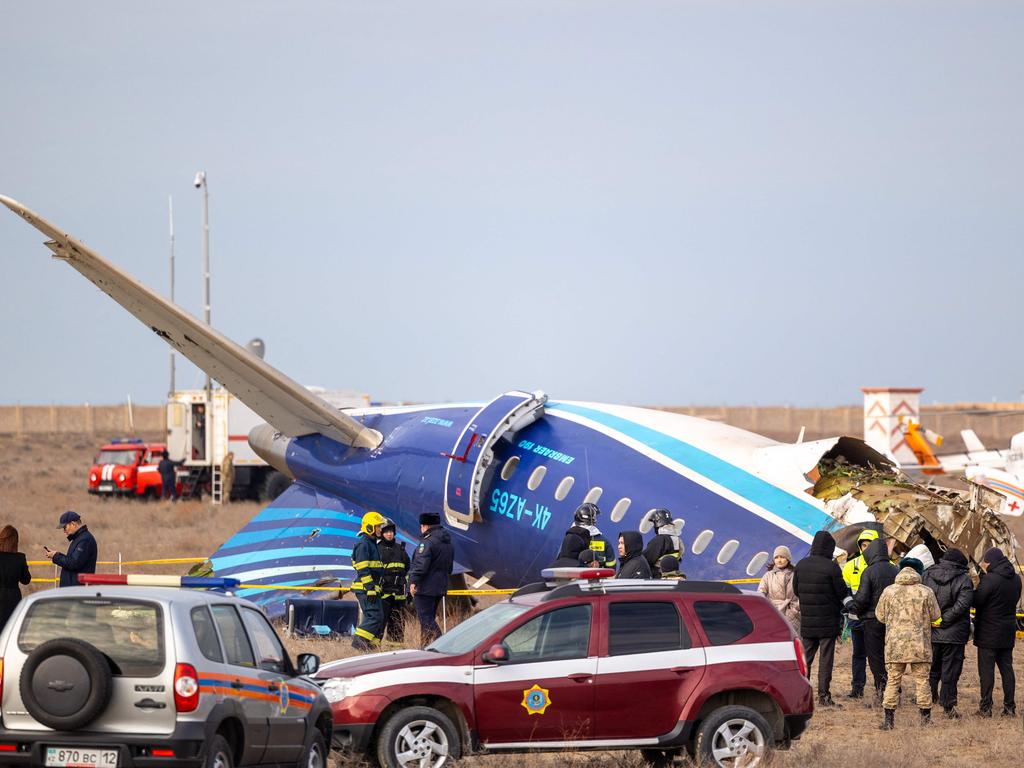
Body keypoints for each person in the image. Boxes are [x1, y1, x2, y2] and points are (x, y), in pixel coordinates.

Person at [875, 557, 941, 729]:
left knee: (893, 680)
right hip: (920, 645)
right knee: (922, 681)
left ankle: (889, 721)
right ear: (919, 571)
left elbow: (880, 616)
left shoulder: (889, 591)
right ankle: (925, 721)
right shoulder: (926, 592)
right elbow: (936, 615)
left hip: (895, 646)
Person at [793, 530, 853, 708]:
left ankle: (802, 696)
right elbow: (841, 592)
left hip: (808, 621)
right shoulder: (832, 567)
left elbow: (796, 590)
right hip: (828, 621)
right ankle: (823, 696)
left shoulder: (801, 565)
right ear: (829, 548)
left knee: (806, 660)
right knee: (826, 660)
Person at [921, 548, 973, 718]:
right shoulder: (964, 579)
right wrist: (944, 620)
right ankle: (948, 706)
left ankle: (929, 700)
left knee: (931, 668)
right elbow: (963, 604)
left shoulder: (927, 575)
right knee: (950, 671)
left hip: (932, 630)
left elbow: (922, 599)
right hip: (954, 634)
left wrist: (935, 619)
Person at [972, 547, 1022, 717]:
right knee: (1007, 670)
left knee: (986, 672)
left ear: (991, 561)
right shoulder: (1016, 579)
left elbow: (977, 601)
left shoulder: (990, 579)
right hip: (1007, 631)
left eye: (986, 562)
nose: (984, 565)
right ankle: (1009, 707)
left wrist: (975, 587)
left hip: (988, 633)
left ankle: (985, 708)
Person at [851, 537, 898, 702]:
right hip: (894, 622)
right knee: (892, 657)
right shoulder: (895, 570)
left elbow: (862, 598)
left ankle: (882, 690)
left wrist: (853, 608)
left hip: (872, 621)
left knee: (875, 657)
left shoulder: (869, 571)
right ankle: (895, 689)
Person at [841, 528, 880, 699]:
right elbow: (844, 590)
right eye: (864, 545)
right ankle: (857, 688)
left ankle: (882, 688)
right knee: (858, 655)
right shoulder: (850, 566)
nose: (866, 549)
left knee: (879, 655)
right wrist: (849, 604)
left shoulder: (888, 567)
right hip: (856, 619)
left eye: (870, 545)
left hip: (876, 620)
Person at [408, 512, 454, 646]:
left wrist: (413, 582)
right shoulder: (447, 543)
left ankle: (443, 644)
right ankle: (426, 648)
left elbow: (420, 566)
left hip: (425, 588)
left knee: (426, 619)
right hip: (440, 587)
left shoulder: (427, 543)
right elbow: (450, 568)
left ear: (425, 526)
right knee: (428, 620)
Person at [350, 511, 386, 651]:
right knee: (374, 617)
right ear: (369, 527)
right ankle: (358, 645)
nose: (380, 529)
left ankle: (372, 649)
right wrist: (370, 588)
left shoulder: (372, 543)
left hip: (372, 589)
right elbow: (363, 569)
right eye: (377, 526)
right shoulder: (364, 544)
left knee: (379, 618)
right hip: (365, 589)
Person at [377, 518, 411, 642]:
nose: (389, 534)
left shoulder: (401, 550)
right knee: (379, 625)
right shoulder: (377, 550)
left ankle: (395, 651)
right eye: (386, 531)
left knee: (398, 626)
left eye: (391, 531)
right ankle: (373, 650)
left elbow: (408, 569)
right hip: (383, 595)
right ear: (381, 533)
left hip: (398, 596)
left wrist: (407, 590)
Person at [45, 511, 97, 587]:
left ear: (73, 524)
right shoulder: (79, 539)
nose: (64, 531)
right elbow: (72, 560)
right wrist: (57, 554)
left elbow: (74, 563)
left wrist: (55, 556)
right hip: (74, 590)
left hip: (77, 591)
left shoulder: (85, 540)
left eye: (64, 527)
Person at [758, 545, 799, 632]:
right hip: (774, 613)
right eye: (776, 557)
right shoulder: (768, 575)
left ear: (788, 559)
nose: (779, 560)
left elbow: (800, 595)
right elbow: (760, 593)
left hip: (793, 615)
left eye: (782, 557)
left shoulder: (795, 574)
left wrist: (794, 612)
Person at [0, 525, 31, 630]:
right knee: (10, 630)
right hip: (13, 599)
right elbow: (26, 580)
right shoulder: (20, 558)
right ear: (15, 542)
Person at [573, 503, 616, 570]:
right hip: (598, 578)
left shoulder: (570, 539)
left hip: (576, 578)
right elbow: (611, 567)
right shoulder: (605, 542)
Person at [642, 508, 681, 577]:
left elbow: (645, 560)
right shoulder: (678, 540)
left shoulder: (660, 540)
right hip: (670, 576)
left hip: (657, 577)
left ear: (658, 522)